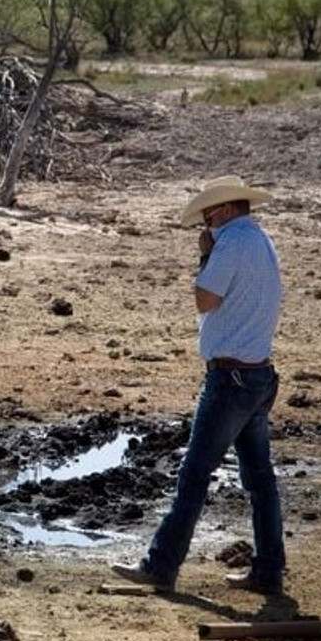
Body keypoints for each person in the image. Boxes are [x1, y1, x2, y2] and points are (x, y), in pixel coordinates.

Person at [111, 175, 285, 595]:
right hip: (257, 373)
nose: (204, 226)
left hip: (230, 378)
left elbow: (205, 299)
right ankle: (268, 571)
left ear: (224, 210)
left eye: (207, 217)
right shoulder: (260, 240)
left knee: (194, 475)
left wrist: (205, 258)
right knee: (260, 479)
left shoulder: (230, 243)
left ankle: (160, 567)